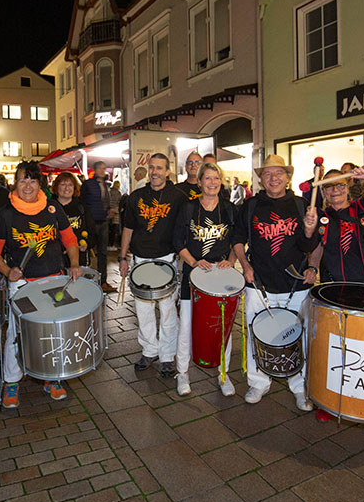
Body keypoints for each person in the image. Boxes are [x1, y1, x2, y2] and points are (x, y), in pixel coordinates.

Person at [304, 166, 364, 440]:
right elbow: (315, 246)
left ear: (348, 188)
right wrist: (312, 266)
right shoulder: (321, 217)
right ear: (323, 192)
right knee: (339, 349)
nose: (335, 191)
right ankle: (331, 402)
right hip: (337, 290)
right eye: (328, 187)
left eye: (339, 185)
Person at [0, 161, 83, 404]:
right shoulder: (5, 214)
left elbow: (69, 239)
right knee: (16, 333)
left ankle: (51, 378)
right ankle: (11, 382)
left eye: (33, 180)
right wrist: (7, 271)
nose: (28, 185)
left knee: (52, 331)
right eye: (23, 180)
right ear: (15, 183)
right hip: (22, 285)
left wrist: (74, 263)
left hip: (53, 280)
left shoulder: (52, 208)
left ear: (40, 183)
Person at [233, 155, 312, 411]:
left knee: (298, 336)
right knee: (256, 332)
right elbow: (237, 239)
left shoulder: (301, 205)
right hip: (259, 283)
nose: (273, 178)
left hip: (296, 285)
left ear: (288, 178)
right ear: (261, 179)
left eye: (279, 173)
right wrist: (245, 266)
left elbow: (314, 243)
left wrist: (312, 267)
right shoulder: (251, 205)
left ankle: (299, 386)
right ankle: (258, 382)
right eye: (268, 174)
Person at [173, 161, 237, 396]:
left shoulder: (229, 209)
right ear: (199, 182)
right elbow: (177, 241)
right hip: (193, 276)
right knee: (186, 326)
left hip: (221, 276)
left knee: (223, 327)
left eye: (216, 178)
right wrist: (193, 262)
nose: (212, 182)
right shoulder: (188, 208)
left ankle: (223, 374)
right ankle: (182, 373)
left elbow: (238, 240)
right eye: (207, 178)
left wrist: (231, 260)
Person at [120, 153, 185, 377]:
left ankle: (167, 356)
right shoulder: (136, 196)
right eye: (152, 167)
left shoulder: (178, 197)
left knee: (168, 311)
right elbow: (128, 228)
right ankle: (149, 350)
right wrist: (122, 258)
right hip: (140, 260)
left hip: (166, 260)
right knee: (143, 311)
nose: (154, 172)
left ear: (167, 171)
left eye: (159, 168)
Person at [81, 161, 115, 292]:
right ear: (94, 170)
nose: (102, 171)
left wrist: (109, 210)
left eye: (104, 168)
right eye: (100, 168)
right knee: (86, 251)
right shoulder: (88, 184)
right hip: (91, 222)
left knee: (103, 253)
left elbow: (105, 202)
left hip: (103, 221)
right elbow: (82, 202)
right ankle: (85, 280)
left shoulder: (106, 185)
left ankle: (103, 281)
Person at [51, 172, 94, 270]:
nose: (67, 188)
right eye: (63, 184)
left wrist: (87, 244)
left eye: (70, 185)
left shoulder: (82, 208)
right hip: (55, 261)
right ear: (56, 187)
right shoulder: (49, 208)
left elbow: (93, 232)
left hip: (79, 261)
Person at [108, 180, 122, 249]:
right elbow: (120, 203)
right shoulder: (119, 193)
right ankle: (112, 245)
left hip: (109, 212)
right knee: (114, 229)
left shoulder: (109, 192)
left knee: (109, 229)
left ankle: (108, 244)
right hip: (116, 213)